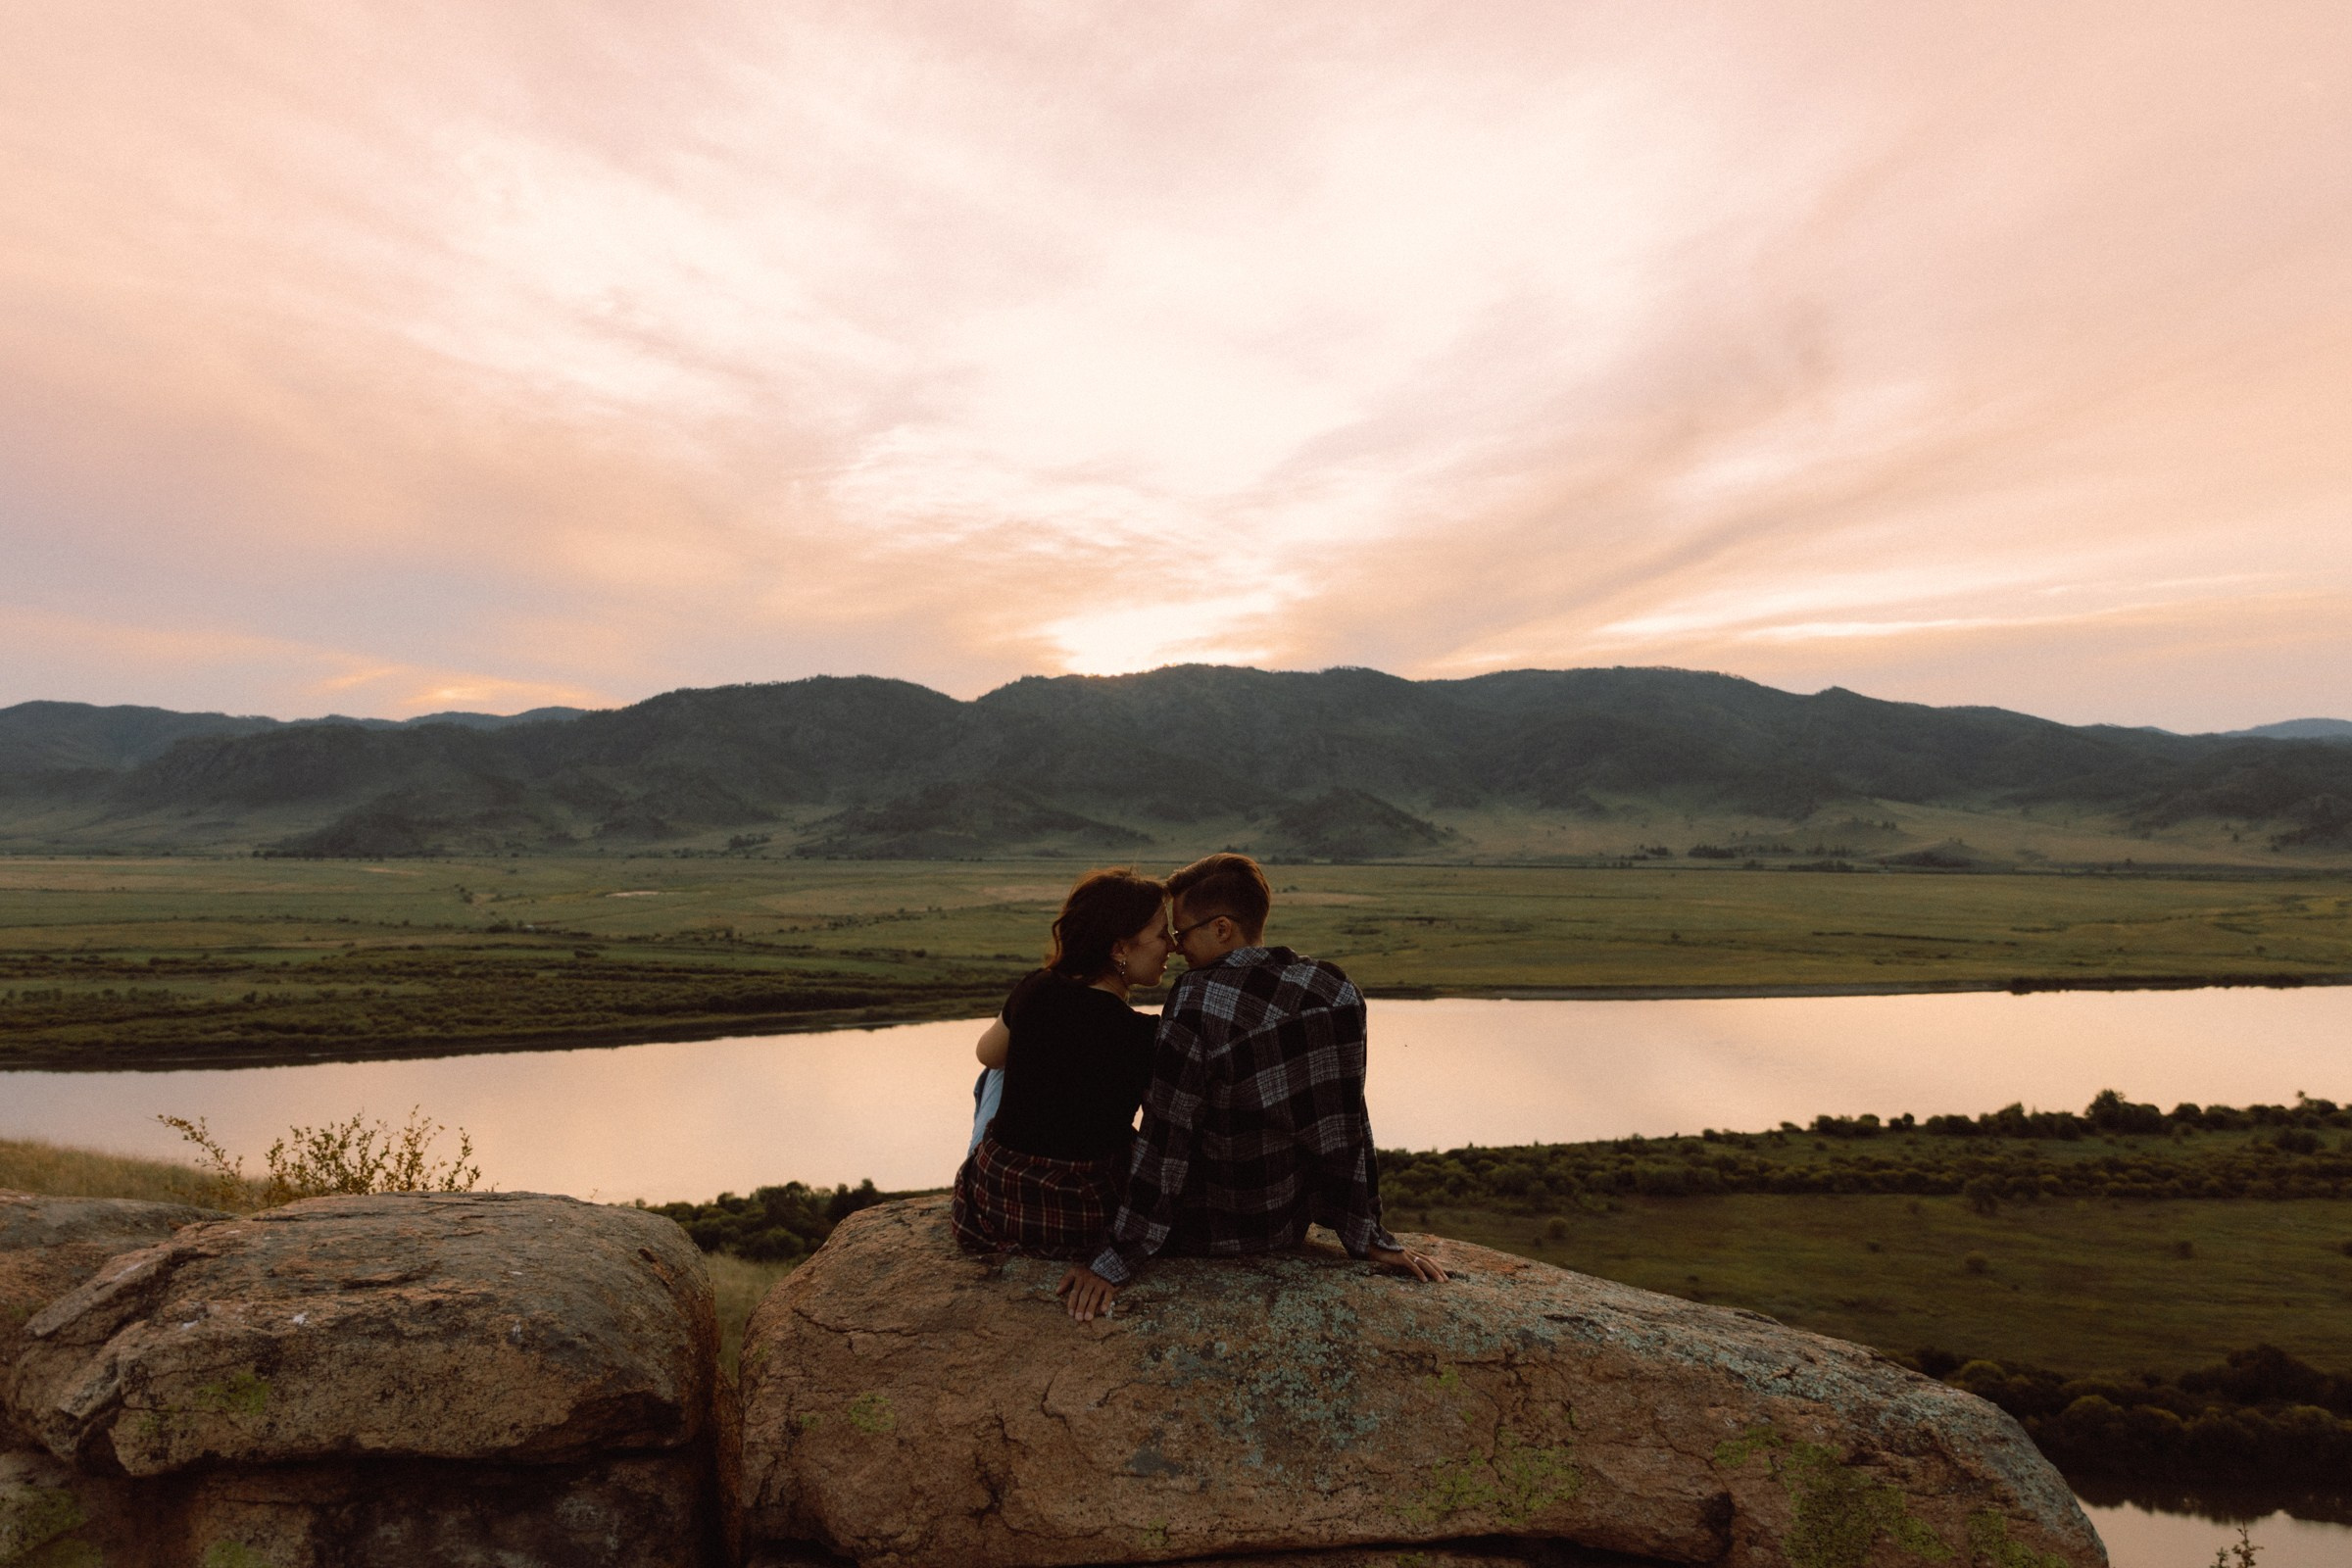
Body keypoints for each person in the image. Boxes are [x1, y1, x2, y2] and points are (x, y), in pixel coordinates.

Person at [1057, 853, 1445, 1321]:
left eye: (1182, 932)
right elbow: (1345, 1128)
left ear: (1222, 928)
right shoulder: (1335, 990)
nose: (1176, 947)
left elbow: (1167, 1139)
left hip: (1205, 1231)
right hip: (1284, 1226)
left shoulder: (1195, 1000)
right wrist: (1367, 1235)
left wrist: (1114, 1259)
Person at [951, 868, 1174, 1256]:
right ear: (1119, 949)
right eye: (1162, 934)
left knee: (995, 1072)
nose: (1173, 945)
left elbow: (987, 1055)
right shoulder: (1142, 1034)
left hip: (1002, 1202)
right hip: (1082, 1215)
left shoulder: (1037, 988)